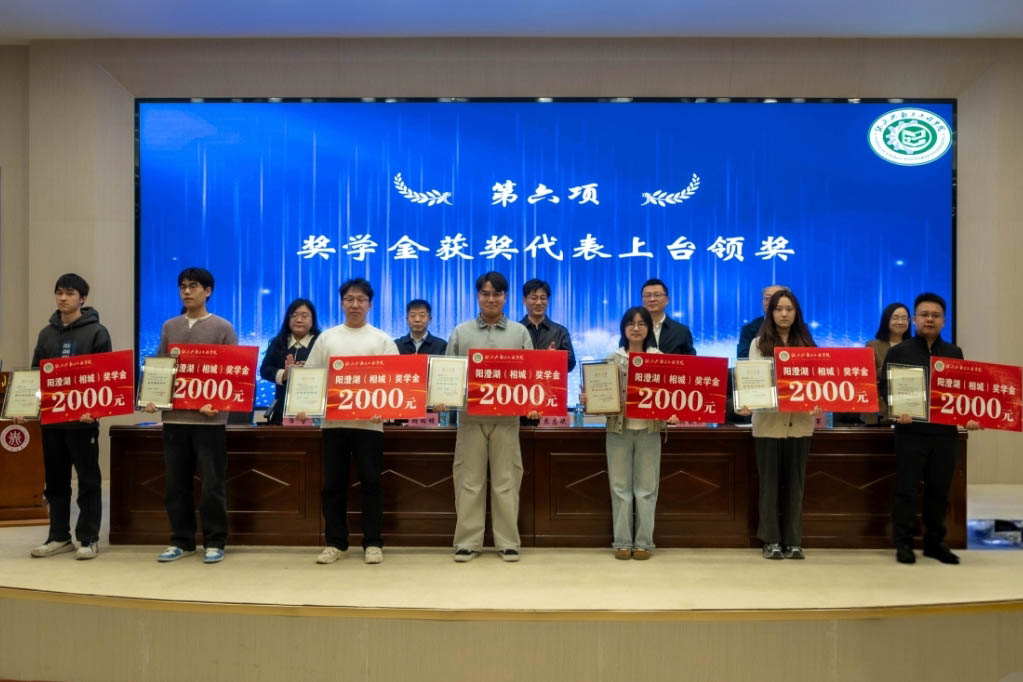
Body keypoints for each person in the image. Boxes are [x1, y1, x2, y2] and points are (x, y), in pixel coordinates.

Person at [436, 271, 535, 562]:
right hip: (470, 418)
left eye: (497, 294)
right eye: (485, 294)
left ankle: (508, 542)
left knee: (507, 481)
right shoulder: (461, 332)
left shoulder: (519, 333)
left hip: (508, 419)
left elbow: (532, 376)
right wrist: (441, 397)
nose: (491, 299)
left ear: (505, 297)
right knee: (469, 481)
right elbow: (448, 372)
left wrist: (534, 402)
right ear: (478, 297)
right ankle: (467, 542)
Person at [302, 278, 398, 565]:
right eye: (349, 299)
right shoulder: (327, 338)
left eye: (361, 300)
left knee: (371, 483)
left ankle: (373, 543)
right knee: (333, 485)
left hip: (370, 426)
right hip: (333, 425)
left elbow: (394, 382)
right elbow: (311, 377)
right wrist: (304, 405)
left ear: (370, 304)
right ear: (342, 303)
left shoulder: (382, 340)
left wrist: (386, 409)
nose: (355, 304)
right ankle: (336, 543)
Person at [144, 267, 237, 564]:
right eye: (182, 286)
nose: (186, 291)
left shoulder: (223, 327)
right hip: (175, 420)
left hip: (210, 421)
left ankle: (215, 540)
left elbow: (231, 375)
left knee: (212, 485)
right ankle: (181, 541)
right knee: (176, 485)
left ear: (207, 291)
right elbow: (161, 367)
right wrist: (152, 398)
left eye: (193, 286)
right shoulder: (169, 326)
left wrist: (218, 404)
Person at [881, 292, 980, 565]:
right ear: (914, 319)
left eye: (935, 315)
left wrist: (969, 417)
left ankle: (935, 543)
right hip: (910, 433)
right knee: (906, 490)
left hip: (944, 434)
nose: (929, 319)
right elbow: (885, 387)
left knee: (939, 491)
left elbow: (962, 393)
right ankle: (903, 543)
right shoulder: (899, 352)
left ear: (943, 321)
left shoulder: (954, 353)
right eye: (924, 315)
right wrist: (895, 410)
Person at [22, 274, 111, 560]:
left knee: (88, 481)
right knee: (55, 483)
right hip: (52, 422)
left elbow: (104, 379)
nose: (63, 298)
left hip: (83, 423)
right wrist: (25, 406)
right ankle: (59, 536)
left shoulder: (97, 332)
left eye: (70, 293)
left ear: (82, 298)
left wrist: (95, 410)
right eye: (59, 292)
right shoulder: (46, 334)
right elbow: (35, 375)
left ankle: (88, 538)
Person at [579, 307, 678, 560]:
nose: (636, 328)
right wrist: (588, 400)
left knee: (646, 490)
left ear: (648, 328)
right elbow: (599, 398)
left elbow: (671, 395)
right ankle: (622, 541)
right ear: (623, 328)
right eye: (631, 324)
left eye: (641, 324)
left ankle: (644, 543)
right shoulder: (612, 359)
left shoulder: (659, 359)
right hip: (618, 432)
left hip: (649, 431)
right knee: (620, 489)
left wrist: (673, 411)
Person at [738, 289, 820, 560]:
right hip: (768, 423)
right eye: (778, 309)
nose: (784, 314)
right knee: (769, 484)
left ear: (797, 313)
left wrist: (818, 401)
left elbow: (816, 384)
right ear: (770, 313)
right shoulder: (758, 343)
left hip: (799, 423)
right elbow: (752, 380)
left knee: (796, 485)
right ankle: (771, 539)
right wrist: (747, 401)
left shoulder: (808, 345)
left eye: (789, 309)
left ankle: (794, 541)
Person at [259, 298, 321, 425]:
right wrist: (284, 374)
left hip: (314, 410)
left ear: (313, 319)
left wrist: (309, 372)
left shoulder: (321, 342)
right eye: (294, 315)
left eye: (304, 316)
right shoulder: (278, 342)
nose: (299, 320)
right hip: (281, 409)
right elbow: (264, 370)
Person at [863, 302, 911, 425]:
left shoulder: (915, 346)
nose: (900, 322)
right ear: (886, 320)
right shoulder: (872, 345)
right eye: (895, 318)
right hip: (880, 414)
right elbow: (865, 377)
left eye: (904, 318)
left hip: (908, 411)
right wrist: (888, 371)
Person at [519, 279, 576, 372]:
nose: (538, 302)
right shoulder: (516, 330)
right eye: (534, 298)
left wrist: (556, 357)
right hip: (522, 380)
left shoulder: (560, 331)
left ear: (548, 301)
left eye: (543, 298)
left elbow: (571, 364)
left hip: (549, 379)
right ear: (524, 300)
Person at [640, 278, 696, 355]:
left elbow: (691, 360)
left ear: (667, 300)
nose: (652, 299)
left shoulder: (681, 331)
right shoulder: (633, 330)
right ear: (642, 300)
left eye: (657, 295)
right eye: (647, 295)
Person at [737, 285, 787, 359]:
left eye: (776, 298)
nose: (770, 302)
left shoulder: (800, 328)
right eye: (767, 298)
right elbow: (743, 357)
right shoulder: (749, 329)